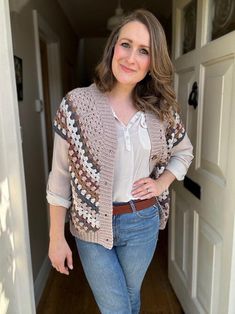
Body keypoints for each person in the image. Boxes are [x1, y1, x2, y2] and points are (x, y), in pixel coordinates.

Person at [47, 9, 193, 314]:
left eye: (144, 51)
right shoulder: (76, 105)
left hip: (142, 223)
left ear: (153, 62)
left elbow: (184, 151)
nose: (131, 58)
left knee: (129, 298)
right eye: (126, 44)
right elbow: (60, 176)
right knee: (117, 307)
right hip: (90, 226)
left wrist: (161, 182)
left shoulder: (160, 111)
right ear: (113, 46)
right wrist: (55, 237)